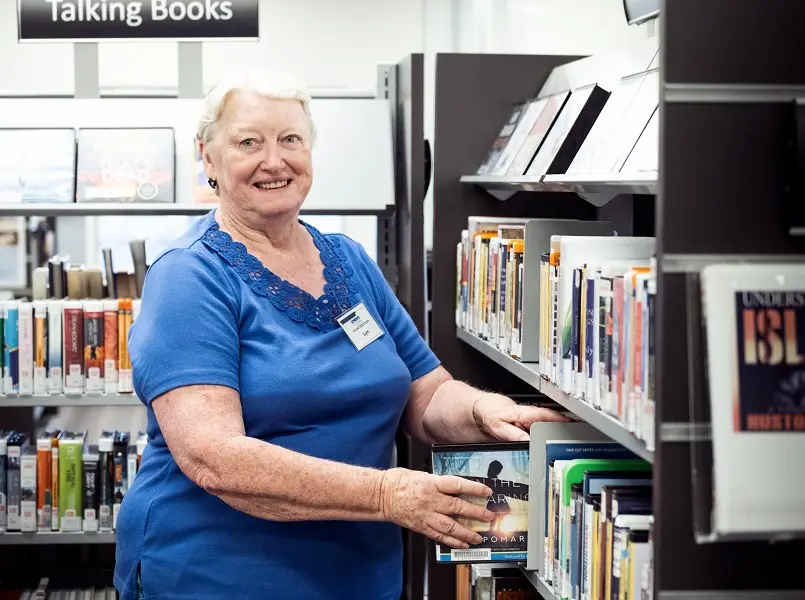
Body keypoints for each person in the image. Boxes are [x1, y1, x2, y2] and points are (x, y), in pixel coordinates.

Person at [113, 69, 567, 600]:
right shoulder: (189, 277)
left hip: (357, 573)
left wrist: (482, 412)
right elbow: (214, 457)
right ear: (208, 158)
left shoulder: (348, 260)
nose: (274, 160)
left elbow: (426, 391)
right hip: (219, 576)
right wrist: (385, 494)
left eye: (291, 140)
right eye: (248, 143)